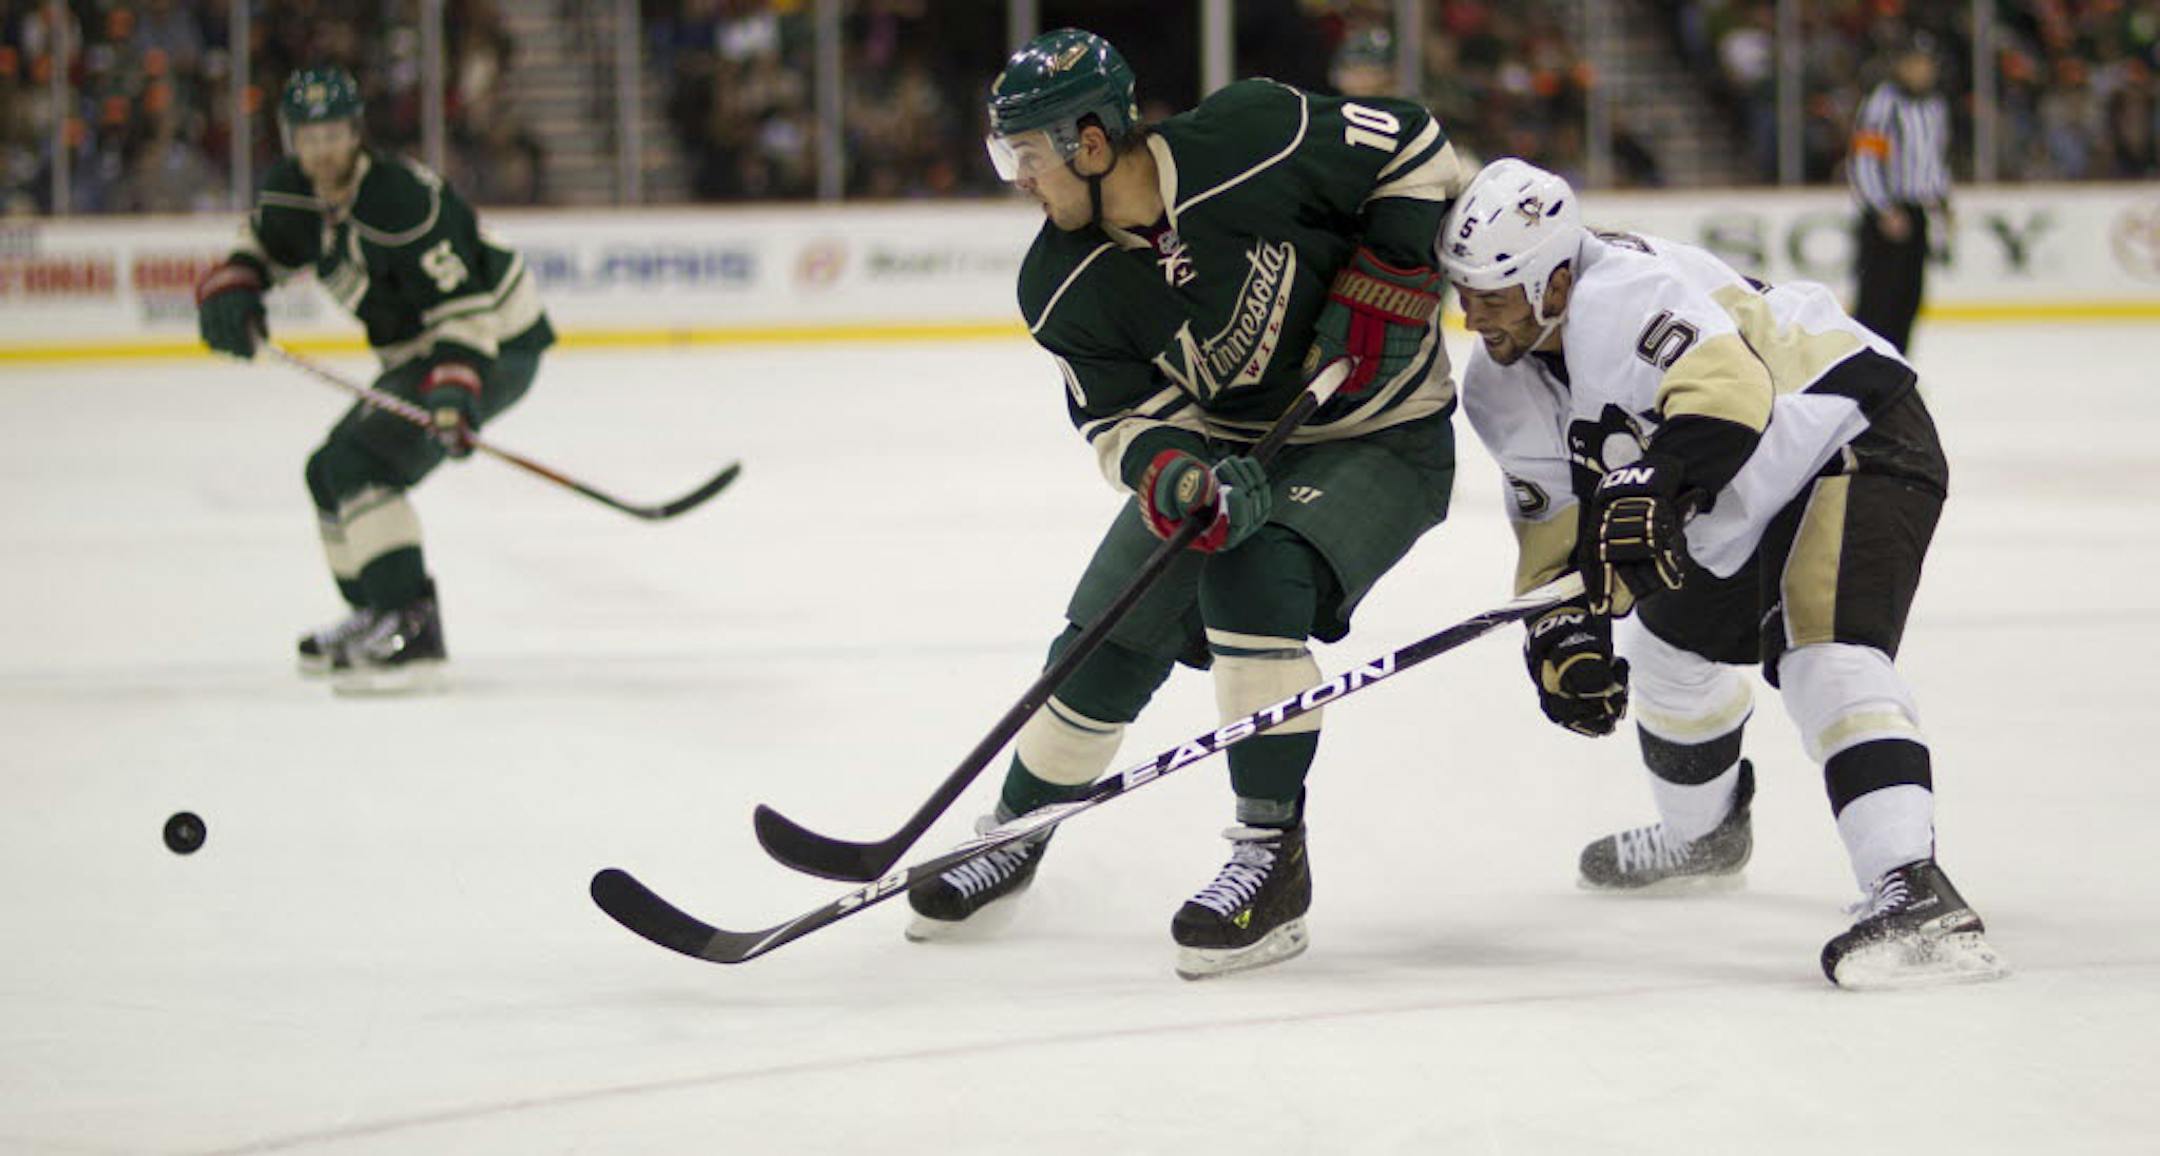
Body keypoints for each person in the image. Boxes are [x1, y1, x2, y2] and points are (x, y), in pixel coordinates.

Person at [904, 29, 1466, 979]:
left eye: (1029, 156)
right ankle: (1018, 829)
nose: (1019, 181)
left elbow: (1412, 144)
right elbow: (1125, 422)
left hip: (1384, 433)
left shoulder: (1253, 130)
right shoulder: (1060, 283)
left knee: (1255, 578)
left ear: (1091, 142)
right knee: (1105, 630)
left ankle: (1269, 859)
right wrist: (1178, 477)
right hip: (1239, 446)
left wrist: (1395, 263)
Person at [1442, 157, 2005, 989]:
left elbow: (1730, 391)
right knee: (1661, 649)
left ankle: (1914, 893)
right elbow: (1554, 540)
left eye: (1494, 293)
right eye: (1464, 293)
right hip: (1741, 486)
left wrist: (1655, 483)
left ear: (1555, 281)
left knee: (1823, 653)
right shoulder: (1498, 385)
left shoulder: (1622, 294)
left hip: (1848, 435)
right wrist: (1565, 641)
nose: (1473, 316)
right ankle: (1703, 836)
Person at [194, 67, 554, 694]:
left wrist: (452, 394)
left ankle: (412, 630)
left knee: (362, 463)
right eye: (308, 137)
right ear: (290, 140)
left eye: (333, 133)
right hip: (421, 352)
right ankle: (374, 613)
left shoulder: (402, 199)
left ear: (355, 133)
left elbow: (466, 310)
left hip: (495, 343)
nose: (321, 149)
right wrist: (236, 285)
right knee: (327, 471)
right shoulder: (293, 191)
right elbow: (263, 243)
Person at [1848, 33, 1951, 353]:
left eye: (1927, 64)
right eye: (1915, 64)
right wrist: (1882, 209)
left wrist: (1943, 202)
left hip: (1918, 214)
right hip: (1887, 217)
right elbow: (1864, 161)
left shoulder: (1935, 106)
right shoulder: (1883, 104)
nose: (1923, 71)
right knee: (1878, 302)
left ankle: (1897, 370)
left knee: (1909, 298)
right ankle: (1865, 373)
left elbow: (1937, 158)